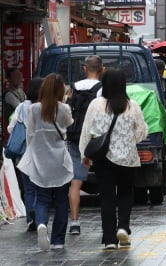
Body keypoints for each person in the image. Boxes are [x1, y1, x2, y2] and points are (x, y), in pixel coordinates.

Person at [79, 68, 148, 249]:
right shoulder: (132, 105)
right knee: (125, 193)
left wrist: (84, 155)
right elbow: (141, 133)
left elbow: (86, 131)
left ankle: (109, 238)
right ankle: (123, 227)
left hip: (103, 159)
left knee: (107, 197)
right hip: (128, 158)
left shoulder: (96, 105)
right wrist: (128, 138)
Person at [17, 73, 74, 251]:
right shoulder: (64, 108)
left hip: (40, 159)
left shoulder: (33, 109)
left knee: (42, 198)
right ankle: (58, 241)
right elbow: (69, 124)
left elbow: (30, 133)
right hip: (59, 160)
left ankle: (41, 223)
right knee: (61, 201)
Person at [67, 55, 104, 235]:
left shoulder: (74, 87)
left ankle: (74, 222)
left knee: (76, 182)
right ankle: (108, 221)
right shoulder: (102, 88)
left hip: (75, 138)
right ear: (102, 70)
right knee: (106, 179)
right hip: (96, 139)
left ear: (84, 69)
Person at [7, 78, 43, 232]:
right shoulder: (45, 107)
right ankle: (40, 216)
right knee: (41, 187)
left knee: (28, 189)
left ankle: (31, 218)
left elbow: (10, 128)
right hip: (42, 152)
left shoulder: (21, 107)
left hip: (23, 154)